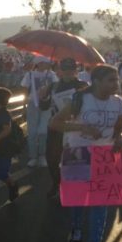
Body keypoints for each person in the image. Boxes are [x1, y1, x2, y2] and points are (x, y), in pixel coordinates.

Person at [50, 64, 122, 242]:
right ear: (97, 81)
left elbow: (120, 129)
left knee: (100, 201)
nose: (116, 84)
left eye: (117, 80)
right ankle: (76, 229)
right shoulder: (80, 99)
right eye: (111, 80)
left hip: (105, 156)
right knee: (78, 199)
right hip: (78, 153)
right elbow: (55, 123)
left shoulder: (118, 103)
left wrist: (120, 138)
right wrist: (82, 127)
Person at [39, 58, 89, 198]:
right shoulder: (53, 86)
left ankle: (73, 186)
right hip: (56, 125)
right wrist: (42, 97)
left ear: (75, 70)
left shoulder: (83, 86)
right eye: (65, 69)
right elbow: (44, 107)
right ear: (60, 70)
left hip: (75, 126)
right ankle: (57, 183)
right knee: (52, 158)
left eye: (71, 69)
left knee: (74, 157)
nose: (68, 72)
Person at [20, 56, 58, 168]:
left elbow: (56, 88)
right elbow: (24, 90)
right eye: (45, 63)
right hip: (33, 104)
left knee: (43, 131)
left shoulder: (52, 75)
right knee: (32, 131)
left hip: (47, 105)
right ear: (39, 63)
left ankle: (42, 155)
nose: (48, 65)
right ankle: (33, 156)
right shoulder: (30, 74)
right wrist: (24, 105)